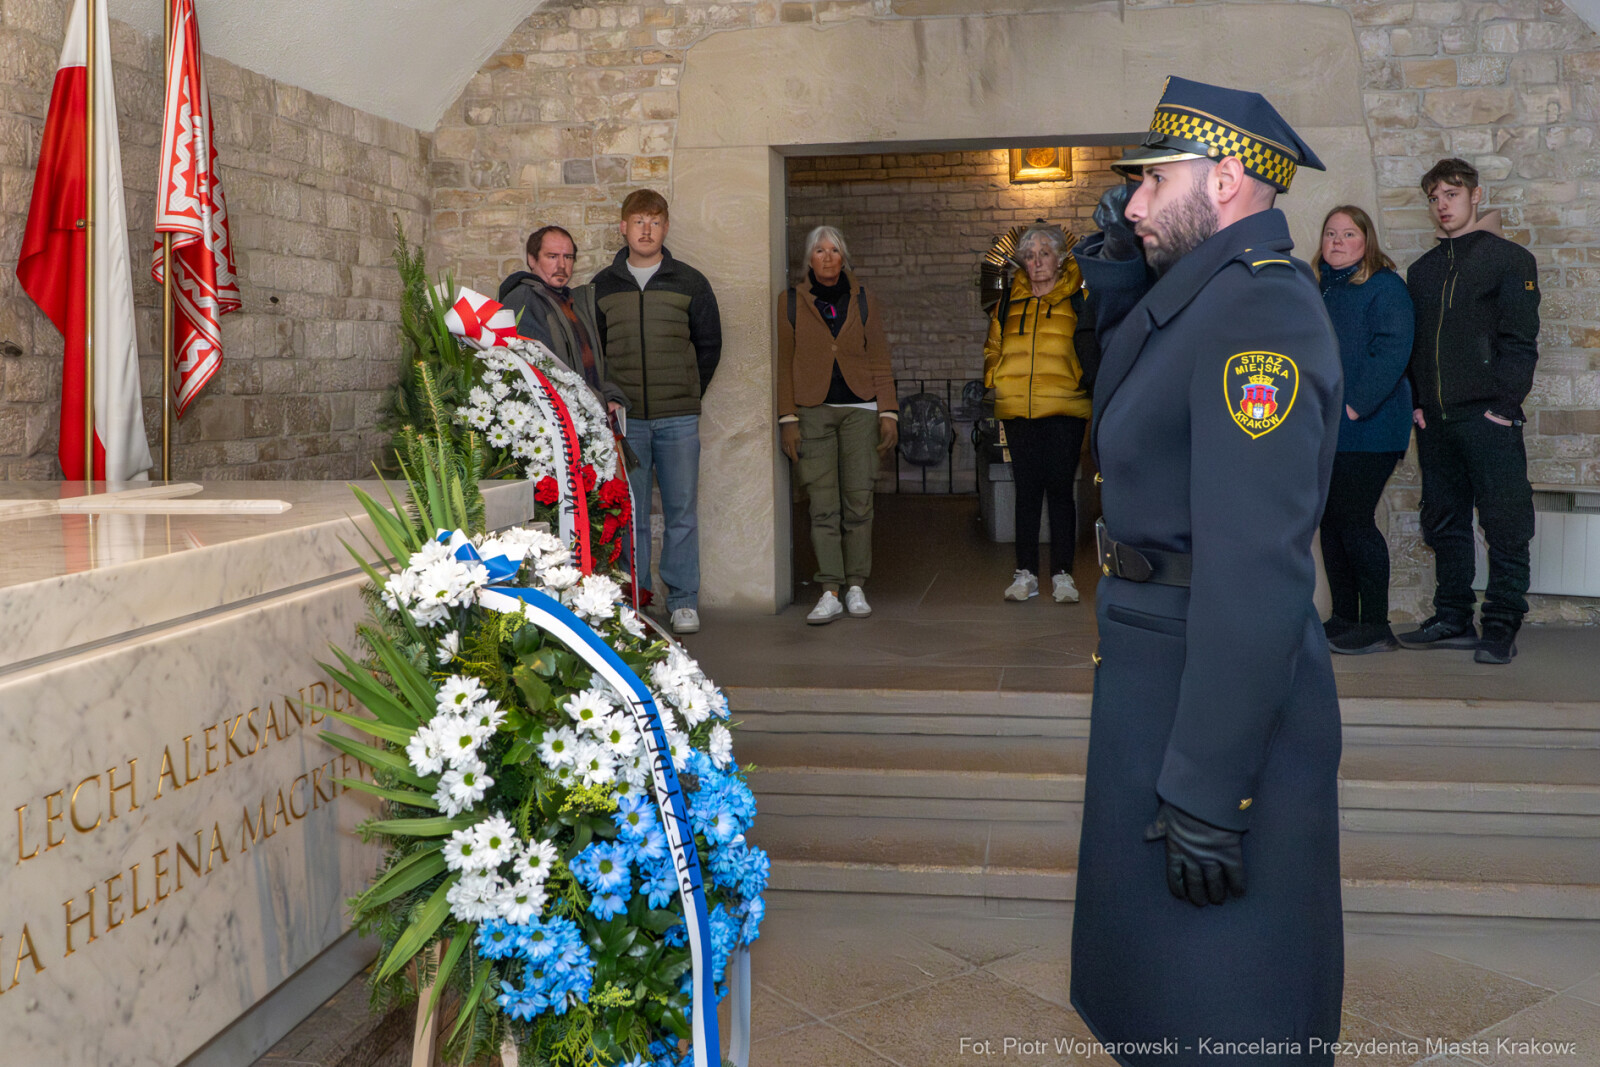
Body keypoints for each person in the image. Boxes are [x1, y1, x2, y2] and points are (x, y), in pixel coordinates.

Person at [1068, 77, 1344, 1064]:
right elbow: (1137, 388)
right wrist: (1113, 262)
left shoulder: (1259, 313)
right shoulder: (1208, 296)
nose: (1131, 202)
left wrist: (1206, 787)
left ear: (1225, 178)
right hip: (1159, 665)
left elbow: (1256, 568)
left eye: (1151, 183)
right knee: (1165, 993)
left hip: (1207, 690)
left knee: (1227, 1003)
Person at [1399, 158, 1540, 665]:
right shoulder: (1423, 270)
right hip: (1436, 422)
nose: (1442, 206)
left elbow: (1520, 343)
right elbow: (1416, 347)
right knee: (1444, 522)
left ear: (1475, 196)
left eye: (1452, 195)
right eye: (1435, 198)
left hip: (1489, 419)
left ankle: (1501, 624)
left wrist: (1504, 407)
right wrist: (1417, 402)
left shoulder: (1510, 261)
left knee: (1504, 523)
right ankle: (1452, 615)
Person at [591, 190, 722, 636]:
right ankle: (638, 599)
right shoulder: (602, 286)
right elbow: (594, 353)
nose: (647, 229)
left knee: (682, 510)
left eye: (655, 221)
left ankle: (683, 600)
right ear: (623, 228)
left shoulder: (689, 281)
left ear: (666, 228)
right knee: (633, 514)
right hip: (627, 422)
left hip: (678, 419)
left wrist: (689, 391)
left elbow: (709, 345)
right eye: (638, 221)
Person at [776, 226, 899, 625]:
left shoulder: (863, 299)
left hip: (860, 411)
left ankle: (856, 585)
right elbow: (784, 361)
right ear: (808, 259)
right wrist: (788, 418)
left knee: (859, 501)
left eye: (834, 250)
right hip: (813, 412)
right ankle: (830, 589)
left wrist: (888, 411)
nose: (827, 257)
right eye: (819, 251)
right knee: (823, 505)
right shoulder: (791, 301)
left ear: (844, 257)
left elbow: (879, 354)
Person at [1313, 205, 1414, 654]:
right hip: (1327, 428)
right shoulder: (1321, 289)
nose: (1336, 241)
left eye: (1348, 234)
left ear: (1366, 242)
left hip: (1368, 426)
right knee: (1331, 524)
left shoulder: (1385, 287)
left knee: (1353, 520)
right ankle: (1344, 617)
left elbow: (1392, 353)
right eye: (1330, 233)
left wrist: (1354, 407)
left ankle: (1375, 625)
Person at [982, 222, 1098, 604]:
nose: (1036, 263)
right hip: (1018, 409)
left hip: (1065, 409)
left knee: (1060, 491)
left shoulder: (1077, 300)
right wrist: (994, 380)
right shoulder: (1009, 301)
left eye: (1044, 254)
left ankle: (1063, 575)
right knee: (1026, 492)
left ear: (1060, 259)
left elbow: (1092, 347)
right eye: (1029, 256)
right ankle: (1026, 573)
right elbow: (993, 346)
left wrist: (1083, 383)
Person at [497, 224, 627, 413]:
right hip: (554, 419)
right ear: (532, 260)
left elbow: (592, 360)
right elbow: (543, 369)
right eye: (552, 257)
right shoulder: (523, 299)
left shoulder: (572, 302)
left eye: (568, 257)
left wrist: (610, 395)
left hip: (585, 413)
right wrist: (597, 400)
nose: (562, 265)